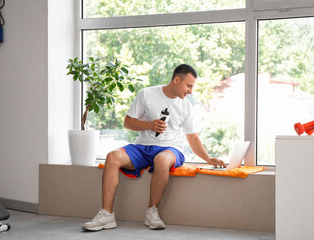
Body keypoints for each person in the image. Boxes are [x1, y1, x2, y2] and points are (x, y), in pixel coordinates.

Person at [82, 64, 226, 231]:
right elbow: (128, 122)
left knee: (162, 159)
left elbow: (193, 138)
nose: (190, 91)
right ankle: (106, 215)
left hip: (171, 149)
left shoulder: (186, 106)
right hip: (142, 147)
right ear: (177, 79)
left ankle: (152, 212)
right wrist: (149, 125)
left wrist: (208, 159)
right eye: (189, 85)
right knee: (112, 156)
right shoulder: (147, 94)